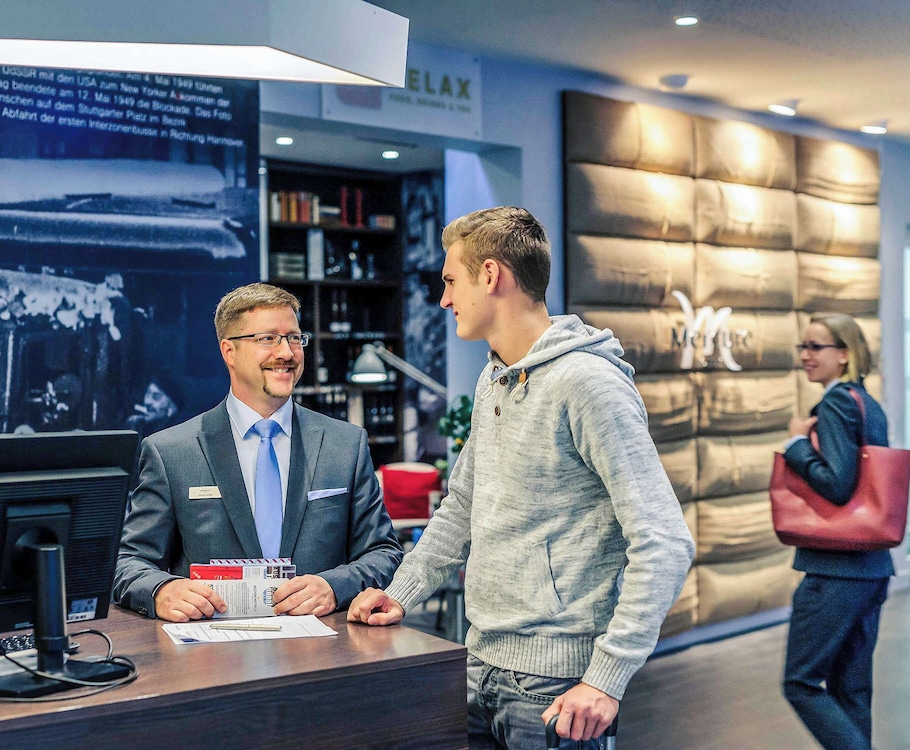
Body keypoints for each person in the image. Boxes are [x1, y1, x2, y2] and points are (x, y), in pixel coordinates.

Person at [348, 207, 695, 749]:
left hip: (557, 686)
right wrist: (401, 592)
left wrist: (606, 678)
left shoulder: (588, 384)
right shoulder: (494, 378)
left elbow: (665, 541)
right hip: (478, 663)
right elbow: (463, 503)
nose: (443, 300)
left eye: (450, 281)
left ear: (490, 275)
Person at [114, 283, 403, 622]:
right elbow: (128, 562)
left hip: (323, 644)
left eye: (294, 338)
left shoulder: (345, 445)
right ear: (229, 351)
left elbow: (383, 552)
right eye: (268, 339)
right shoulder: (171, 452)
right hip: (212, 646)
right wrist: (160, 590)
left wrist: (334, 586)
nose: (287, 353)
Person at [780, 313, 893, 750]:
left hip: (835, 572)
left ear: (844, 354)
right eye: (802, 347)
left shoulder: (835, 404)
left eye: (815, 347)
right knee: (851, 689)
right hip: (871, 567)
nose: (805, 356)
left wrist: (796, 445)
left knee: (801, 682)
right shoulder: (866, 402)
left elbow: (838, 484)